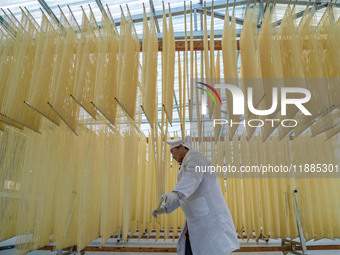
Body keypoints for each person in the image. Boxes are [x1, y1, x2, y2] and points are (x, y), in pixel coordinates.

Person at [152, 136, 240, 255]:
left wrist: (177, 193)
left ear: (182, 147)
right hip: (197, 218)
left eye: (172, 152)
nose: (172, 157)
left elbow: (192, 178)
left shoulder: (195, 157)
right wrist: (166, 207)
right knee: (194, 247)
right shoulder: (184, 167)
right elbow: (185, 193)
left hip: (209, 219)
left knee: (208, 249)